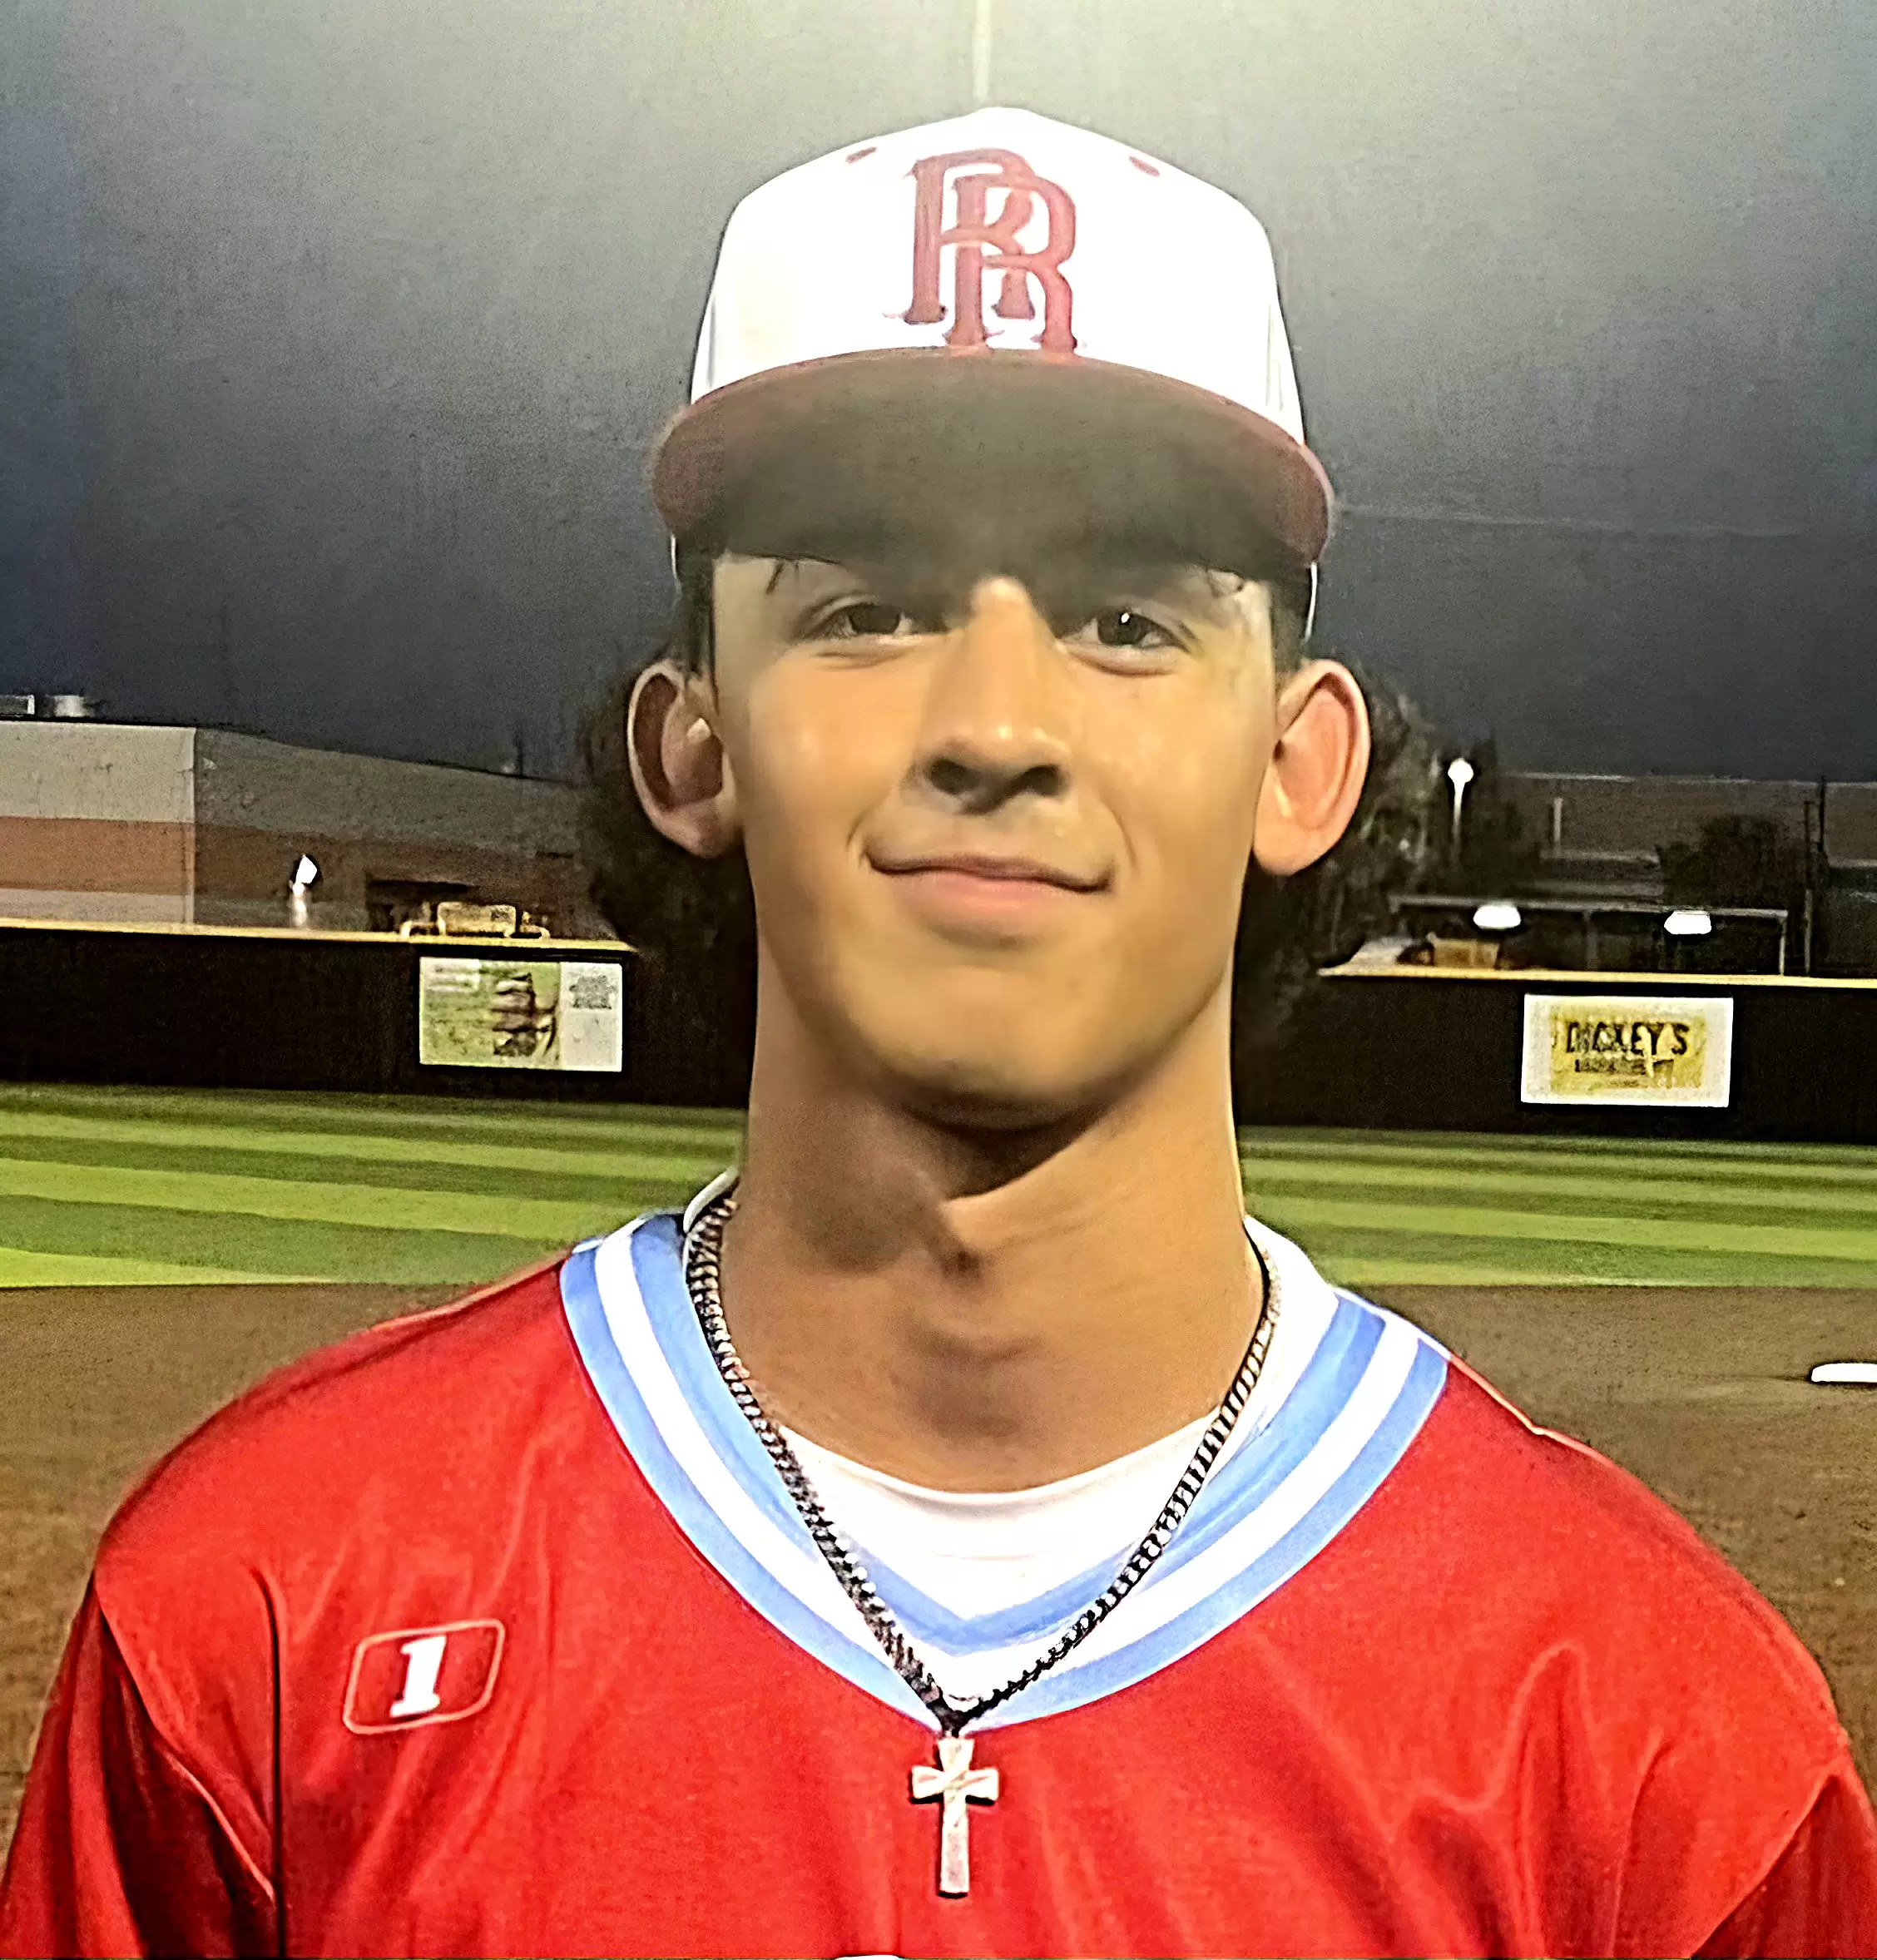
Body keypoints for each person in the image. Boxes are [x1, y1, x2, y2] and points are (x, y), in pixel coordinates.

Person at [3, 106, 1875, 1960]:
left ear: (1298, 761)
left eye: (1127, 616)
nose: (995, 724)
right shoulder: (261, 1617)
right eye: (869, 607)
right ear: (693, 743)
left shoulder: (1663, 1746)